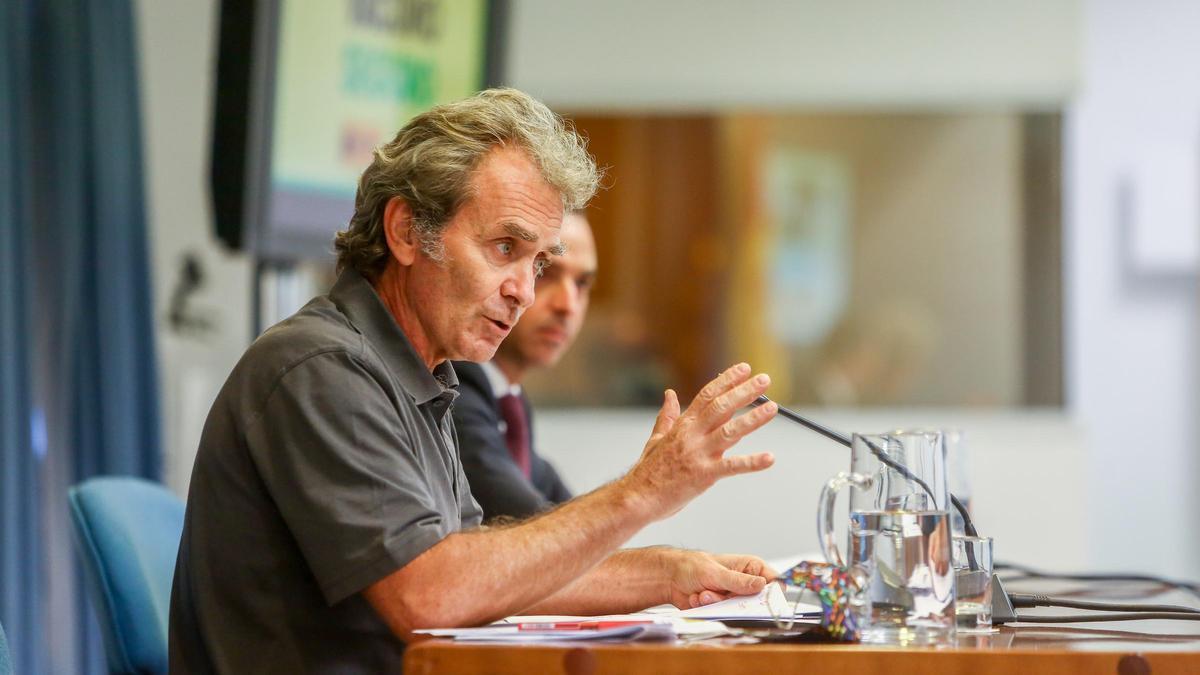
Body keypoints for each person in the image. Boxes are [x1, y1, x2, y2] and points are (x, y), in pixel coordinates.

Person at [169, 88, 779, 673]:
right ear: (406, 231)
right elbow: (430, 595)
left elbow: (486, 578)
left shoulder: (420, 374)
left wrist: (667, 575)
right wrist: (642, 491)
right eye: (504, 247)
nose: (525, 291)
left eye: (537, 260)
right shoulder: (321, 368)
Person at [452, 210, 595, 520]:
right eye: (545, 271)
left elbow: (572, 518)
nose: (567, 305)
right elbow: (537, 530)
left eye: (582, 284)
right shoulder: (452, 385)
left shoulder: (512, 404)